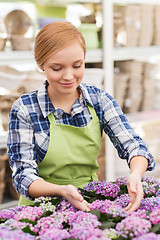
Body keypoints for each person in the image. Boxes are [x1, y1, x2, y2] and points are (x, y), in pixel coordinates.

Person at [7, 21, 155, 213]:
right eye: (57, 68)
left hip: (88, 203)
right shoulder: (25, 109)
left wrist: (135, 174)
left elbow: (133, 145)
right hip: (38, 209)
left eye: (77, 65)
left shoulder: (99, 100)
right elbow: (22, 176)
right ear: (41, 64)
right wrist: (60, 190)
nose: (69, 76)